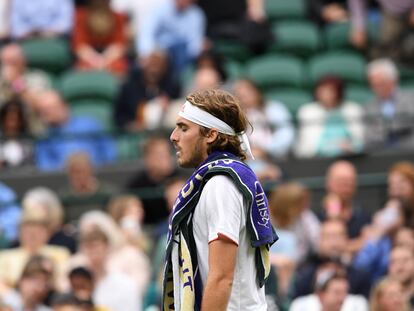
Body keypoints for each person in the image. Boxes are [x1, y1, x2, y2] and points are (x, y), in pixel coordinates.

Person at [164, 89, 278, 310]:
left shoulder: (220, 185)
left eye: (184, 128)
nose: (174, 136)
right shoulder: (219, 180)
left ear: (211, 135)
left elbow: (222, 277)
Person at [295, 75, 364, 158]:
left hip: (350, 158)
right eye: (321, 90)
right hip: (317, 160)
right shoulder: (307, 111)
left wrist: (351, 146)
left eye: (329, 90)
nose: (324, 94)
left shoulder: (353, 109)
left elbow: (360, 140)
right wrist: (335, 146)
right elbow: (309, 145)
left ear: (338, 92)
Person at [364, 59, 414, 151]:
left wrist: (385, 129)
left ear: (393, 81)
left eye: (381, 84)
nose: (377, 89)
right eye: (374, 85)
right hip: (381, 155)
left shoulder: (411, 100)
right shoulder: (369, 107)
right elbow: (369, 136)